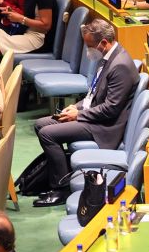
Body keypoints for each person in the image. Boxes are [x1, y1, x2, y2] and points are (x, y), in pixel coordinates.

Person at [32, 21, 138, 206]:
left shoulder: (120, 65)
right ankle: (59, 172)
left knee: (47, 134)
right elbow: (94, 94)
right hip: (94, 116)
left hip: (105, 126)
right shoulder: (107, 58)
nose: (88, 50)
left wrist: (78, 116)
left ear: (103, 43)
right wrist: (77, 107)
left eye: (90, 46)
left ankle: (60, 188)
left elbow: (111, 109)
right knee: (40, 124)